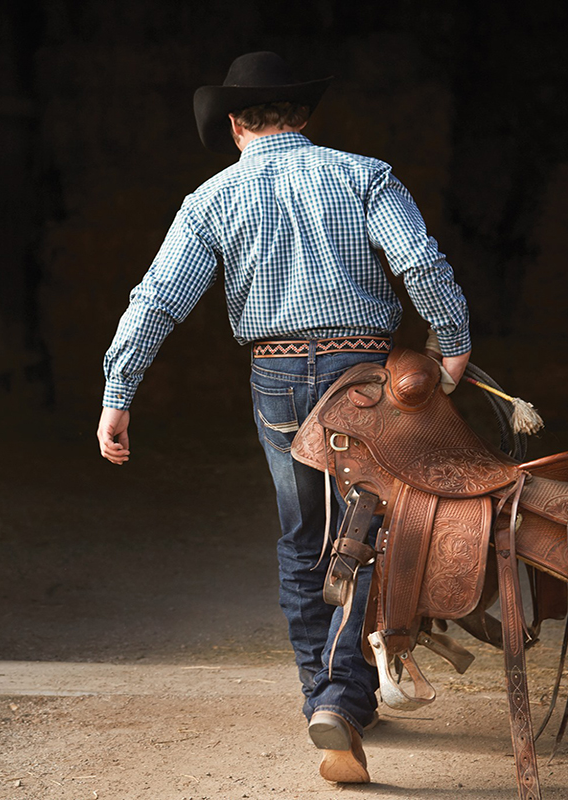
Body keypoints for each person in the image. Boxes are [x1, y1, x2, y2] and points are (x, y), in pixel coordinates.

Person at [95, 51, 471, 784]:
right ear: (305, 115)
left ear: (235, 124)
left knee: (305, 538)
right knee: (368, 530)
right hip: (364, 378)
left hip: (277, 377)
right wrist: (451, 343)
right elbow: (420, 263)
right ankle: (342, 693)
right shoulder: (365, 175)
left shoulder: (212, 198)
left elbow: (158, 298)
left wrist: (119, 391)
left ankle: (323, 703)